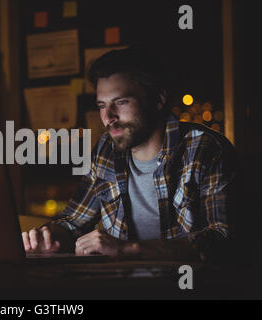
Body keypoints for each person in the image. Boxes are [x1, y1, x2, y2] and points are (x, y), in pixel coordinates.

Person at [21, 45, 238, 262]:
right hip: (121, 287)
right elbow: (73, 222)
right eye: (102, 105)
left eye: (121, 102)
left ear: (158, 99)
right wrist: (46, 237)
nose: (108, 117)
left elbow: (221, 237)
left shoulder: (205, 149)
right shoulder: (106, 149)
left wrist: (130, 249)